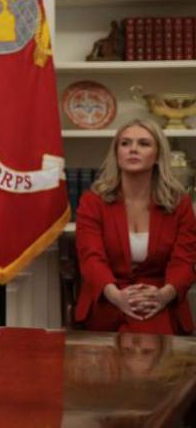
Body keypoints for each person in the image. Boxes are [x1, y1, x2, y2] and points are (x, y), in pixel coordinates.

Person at [75, 118, 196, 335]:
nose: (133, 149)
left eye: (144, 143)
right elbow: (91, 258)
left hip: (158, 302)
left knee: (149, 337)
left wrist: (163, 296)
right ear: (116, 153)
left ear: (158, 155)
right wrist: (117, 297)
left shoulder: (179, 204)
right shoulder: (92, 202)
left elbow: (184, 261)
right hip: (108, 298)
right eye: (125, 143)